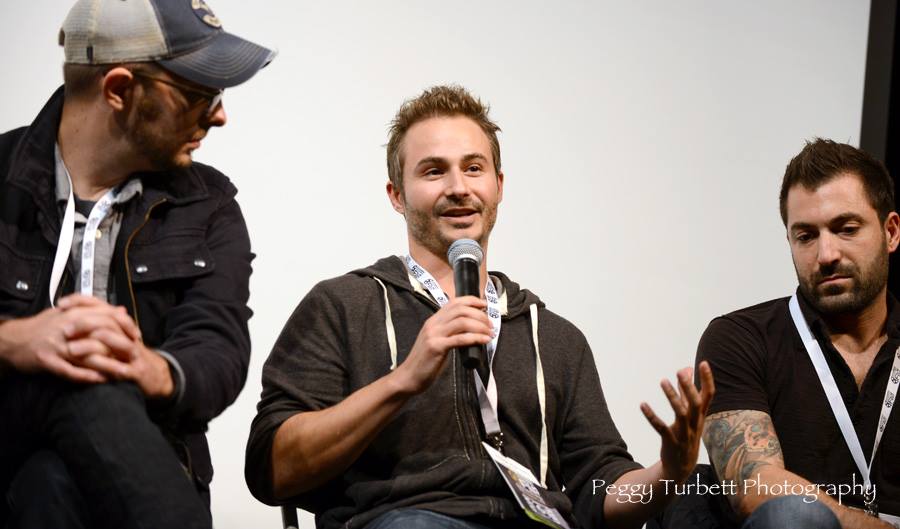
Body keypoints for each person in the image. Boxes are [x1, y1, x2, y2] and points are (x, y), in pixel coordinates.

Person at [247, 85, 715, 529]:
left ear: (499, 185)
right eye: (433, 171)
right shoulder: (345, 306)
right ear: (396, 195)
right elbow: (272, 468)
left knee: (703, 495)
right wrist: (402, 381)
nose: (458, 187)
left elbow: (598, 486)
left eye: (474, 168)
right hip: (411, 519)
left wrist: (667, 474)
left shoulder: (554, 337)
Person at [0, 1, 274, 528]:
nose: (219, 114)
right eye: (199, 93)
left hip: (140, 461)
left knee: (49, 485)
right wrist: (20, 341)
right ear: (120, 90)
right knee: (80, 376)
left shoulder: (207, 205)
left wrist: (146, 368)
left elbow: (218, 347)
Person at [696, 139, 900, 529]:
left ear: (890, 233)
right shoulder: (741, 338)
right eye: (806, 236)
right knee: (793, 515)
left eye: (847, 229)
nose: (826, 255)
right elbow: (756, 488)